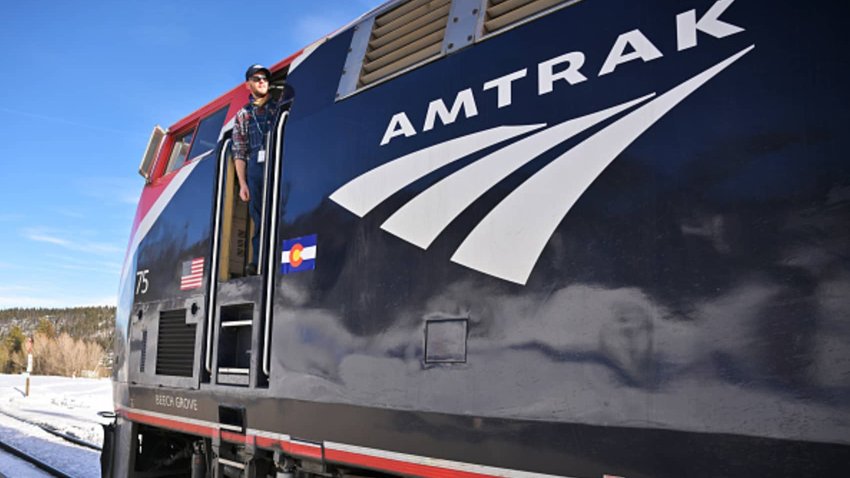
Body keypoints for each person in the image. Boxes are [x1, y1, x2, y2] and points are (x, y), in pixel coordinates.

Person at [231, 64, 288, 275]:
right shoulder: (242, 115)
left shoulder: (280, 107)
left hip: (279, 159)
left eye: (264, 78)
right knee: (259, 217)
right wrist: (242, 183)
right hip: (255, 166)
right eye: (256, 78)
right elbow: (239, 151)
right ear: (248, 85)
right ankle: (258, 261)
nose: (262, 81)